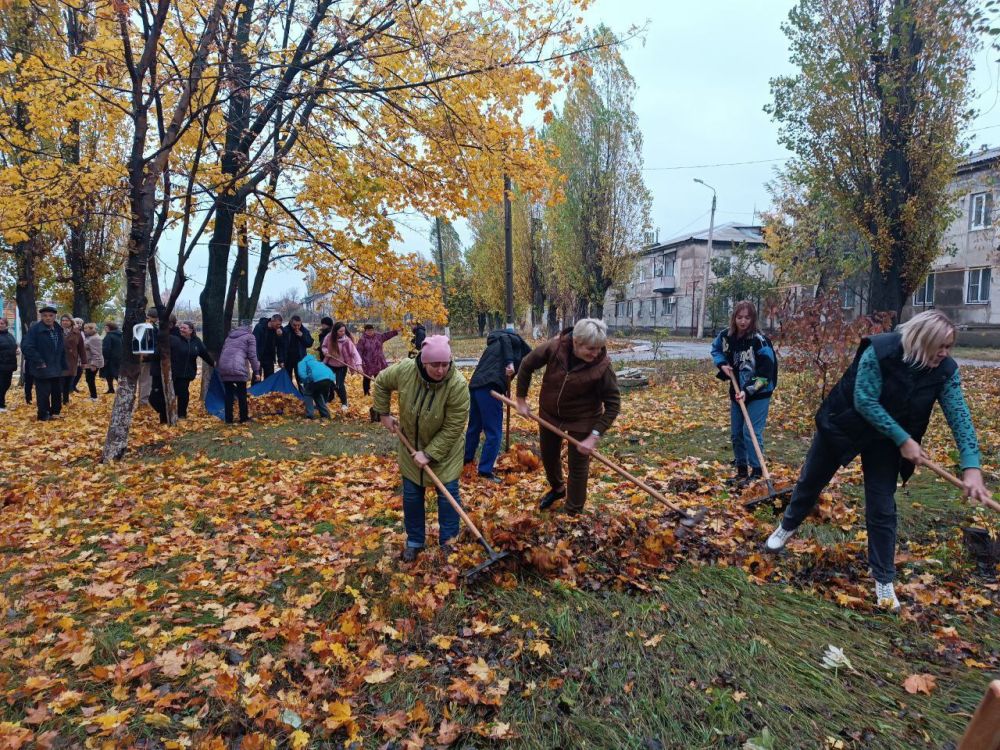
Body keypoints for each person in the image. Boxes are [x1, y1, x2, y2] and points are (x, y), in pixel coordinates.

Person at [764, 311, 991, 612]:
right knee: (811, 481)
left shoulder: (945, 371)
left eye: (950, 347)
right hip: (845, 423)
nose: (945, 353)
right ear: (922, 340)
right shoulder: (881, 349)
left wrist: (971, 467)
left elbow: (960, 417)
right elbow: (865, 400)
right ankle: (787, 526)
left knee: (882, 505)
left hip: (887, 440)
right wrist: (904, 439)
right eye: (941, 346)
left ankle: (883, 578)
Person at [373, 335, 470, 561]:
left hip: (446, 454)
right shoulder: (405, 371)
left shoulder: (457, 386)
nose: (440, 370)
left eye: (445, 364)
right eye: (434, 365)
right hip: (411, 449)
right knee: (412, 497)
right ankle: (415, 541)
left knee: (448, 498)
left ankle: (449, 542)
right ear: (423, 362)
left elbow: (453, 428)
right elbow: (381, 383)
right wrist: (384, 414)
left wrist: (429, 453)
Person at [515, 318, 621, 515]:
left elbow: (613, 405)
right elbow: (527, 364)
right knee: (548, 456)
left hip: (583, 418)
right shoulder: (555, 348)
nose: (596, 353)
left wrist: (593, 436)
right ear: (576, 342)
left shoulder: (602, 367)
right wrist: (521, 399)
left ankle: (573, 511)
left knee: (578, 466)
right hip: (549, 412)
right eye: (591, 348)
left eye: (599, 348)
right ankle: (557, 489)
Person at [710, 300, 778, 485]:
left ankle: (756, 472)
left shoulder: (760, 341)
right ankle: (741, 471)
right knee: (736, 433)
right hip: (737, 390)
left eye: (747, 317)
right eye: (739, 317)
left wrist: (749, 391)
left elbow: (766, 373)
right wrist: (722, 364)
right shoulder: (726, 336)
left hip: (759, 392)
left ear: (753, 319)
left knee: (750, 432)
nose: (743, 321)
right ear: (734, 318)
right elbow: (716, 349)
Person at [464, 327, 532, 482]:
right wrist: (510, 363)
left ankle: (466, 460)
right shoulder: (510, 340)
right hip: (490, 388)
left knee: (474, 427)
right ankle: (485, 471)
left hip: (476, 386)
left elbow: (495, 367)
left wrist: (505, 387)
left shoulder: (494, 343)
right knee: (494, 432)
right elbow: (507, 343)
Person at [20, 305, 67, 421]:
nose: (48, 318)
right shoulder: (35, 330)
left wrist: (63, 363)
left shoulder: (58, 329)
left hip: (56, 366)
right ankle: (43, 414)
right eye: (45, 316)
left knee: (57, 391)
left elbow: (61, 348)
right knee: (43, 393)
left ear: (55, 316)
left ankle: (55, 412)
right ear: (41, 316)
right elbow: (26, 347)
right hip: (41, 367)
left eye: (51, 316)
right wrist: (39, 360)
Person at [217, 321, 261, 424]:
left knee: (228, 394)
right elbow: (252, 355)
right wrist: (256, 371)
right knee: (242, 393)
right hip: (237, 366)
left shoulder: (229, 337)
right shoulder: (250, 337)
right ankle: (243, 418)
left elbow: (224, 351)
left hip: (223, 365)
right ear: (249, 328)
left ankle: (228, 419)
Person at [170, 322, 215, 418]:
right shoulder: (175, 339)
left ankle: (181, 414)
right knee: (174, 391)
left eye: (184, 328)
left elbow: (204, 354)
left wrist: (213, 364)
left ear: (190, 330)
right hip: (174, 371)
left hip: (187, 373)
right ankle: (169, 413)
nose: (181, 329)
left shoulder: (196, 341)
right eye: (180, 327)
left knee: (183, 392)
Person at [322, 321, 362, 411]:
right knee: (328, 382)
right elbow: (324, 346)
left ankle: (344, 403)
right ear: (335, 331)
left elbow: (354, 353)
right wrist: (325, 352)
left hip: (342, 365)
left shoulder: (347, 341)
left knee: (340, 385)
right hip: (330, 364)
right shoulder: (329, 337)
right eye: (340, 331)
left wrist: (358, 364)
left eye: (343, 331)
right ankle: (329, 398)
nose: (342, 333)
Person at [356, 324, 398, 396]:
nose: (370, 332)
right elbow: (358, 352)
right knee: (367, 379)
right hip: (367, 363)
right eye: (368, 330)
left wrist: (395, 331)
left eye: (371, 330)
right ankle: (366, 393)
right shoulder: (362, 340)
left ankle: (380, 393)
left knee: (379, 378)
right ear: (365, 331)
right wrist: (360, 362)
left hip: (379, 362)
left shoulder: (378, 336)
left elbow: (387, 335)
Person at [296, 354, 335, 419]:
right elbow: (327, 369)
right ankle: (325, 414)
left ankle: (310, 414)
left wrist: (306, 380)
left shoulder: (302, 362)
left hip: (316, 379)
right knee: (317, 394)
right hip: (328, 379)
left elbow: (302, 374)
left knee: (307, 394)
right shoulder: (316, 362)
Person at [60, 314, 86, 405]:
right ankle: (58, 399)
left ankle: (65, 399)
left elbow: (81, 348)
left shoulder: (77, 332)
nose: (64, 322)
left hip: (71, 360)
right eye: (63, 320)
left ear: (71, 321)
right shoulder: (57, 331)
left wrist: (84, 361)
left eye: (66, 320)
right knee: (60, 381)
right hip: (59, 359)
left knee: (68, 381)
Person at [281, 315, 313, 387]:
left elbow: (309, 344)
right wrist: (281, 360)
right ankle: (289, 395)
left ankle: (302, 396)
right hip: (287, 359)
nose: (297, 327)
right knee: (287, 380)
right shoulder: (285, 330)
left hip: (300, 360)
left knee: (301, 380)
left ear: (301, 323)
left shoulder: (304, 331)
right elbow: (281, 347)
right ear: (290, 323)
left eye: (299, 325)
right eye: (294, 325)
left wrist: (302, 336)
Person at [138, 308, 158, 405]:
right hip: (146, 356)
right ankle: (143, 401)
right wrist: (144, 353)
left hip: (146, 356)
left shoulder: (146, 324)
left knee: (145, 380)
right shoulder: (148, 326)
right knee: (145, 380)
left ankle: (144, 400)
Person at [82, 323, 105, 401]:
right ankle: (93, 396)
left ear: (92, 329)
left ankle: (94, 397)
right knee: (89, 379)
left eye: (86, 328)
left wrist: (94, 364)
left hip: (92, 363)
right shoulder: (90, 337)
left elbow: (96, 353)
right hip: (89, 362)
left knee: (90, 379)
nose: (84, 330)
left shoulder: (94, 338)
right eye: (84, 328)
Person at [0, 317, 17, 412]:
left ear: (6, 325)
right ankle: (1, 405)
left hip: (9, 365)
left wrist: (16, 350)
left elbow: (13, 346)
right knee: (1, 385)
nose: (0, 325)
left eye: (2, 323)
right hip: (1, 365)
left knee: (7, 384)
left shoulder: (10, 335)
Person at [101, 322, 123, 394]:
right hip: (119, 357)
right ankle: (118, 389)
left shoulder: (109, 336)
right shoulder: (121, 335)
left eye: (106, 327)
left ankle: (113, 389)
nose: (105, 329)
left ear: (110, 328)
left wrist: (105, 358)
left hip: (110, 358)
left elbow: (106, 348)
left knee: (111, 374)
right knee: (115, 374)